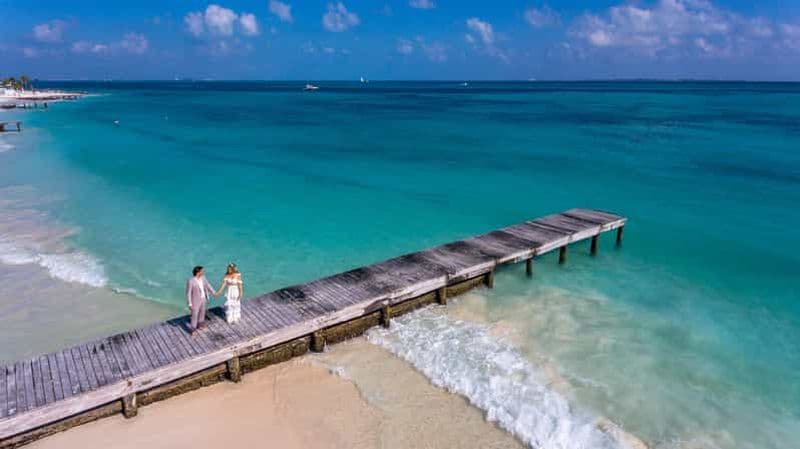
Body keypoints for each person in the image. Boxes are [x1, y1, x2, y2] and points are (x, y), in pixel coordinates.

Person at [186, 265, 216, 335]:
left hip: (203, 298)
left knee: (202, 312)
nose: (203, 272)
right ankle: (192, 330)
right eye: (202, 271)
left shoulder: (203, 278)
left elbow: (208, 285)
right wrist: (189, 303)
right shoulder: (191, 281)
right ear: (198, 272)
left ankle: (200, 325)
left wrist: (213, 292)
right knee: (194, 315)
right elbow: (188, 293)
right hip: (195, 300)